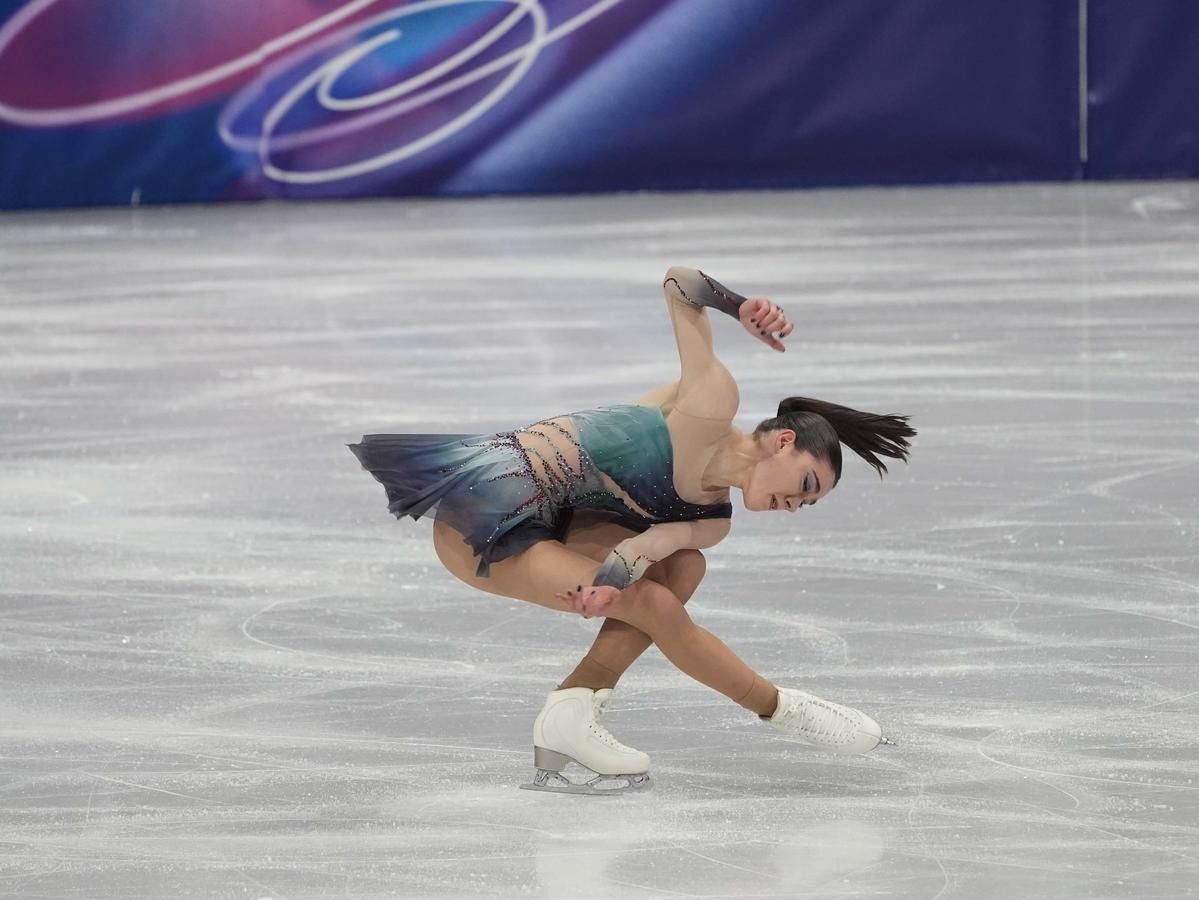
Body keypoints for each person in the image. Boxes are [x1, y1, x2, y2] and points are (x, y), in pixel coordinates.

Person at [347, 266, 915, 795]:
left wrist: (607, 585)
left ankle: (571, 711)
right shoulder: (710, 406)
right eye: (806, 485)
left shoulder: (712, 522)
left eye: (807, 505)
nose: (794, 505)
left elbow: (643, 548)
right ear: (784, 442)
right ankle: (784, 709)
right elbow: (679, 282)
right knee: (657, 606)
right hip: (485, 517)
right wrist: (740, 306)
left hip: (557, 528)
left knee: (684, 567)